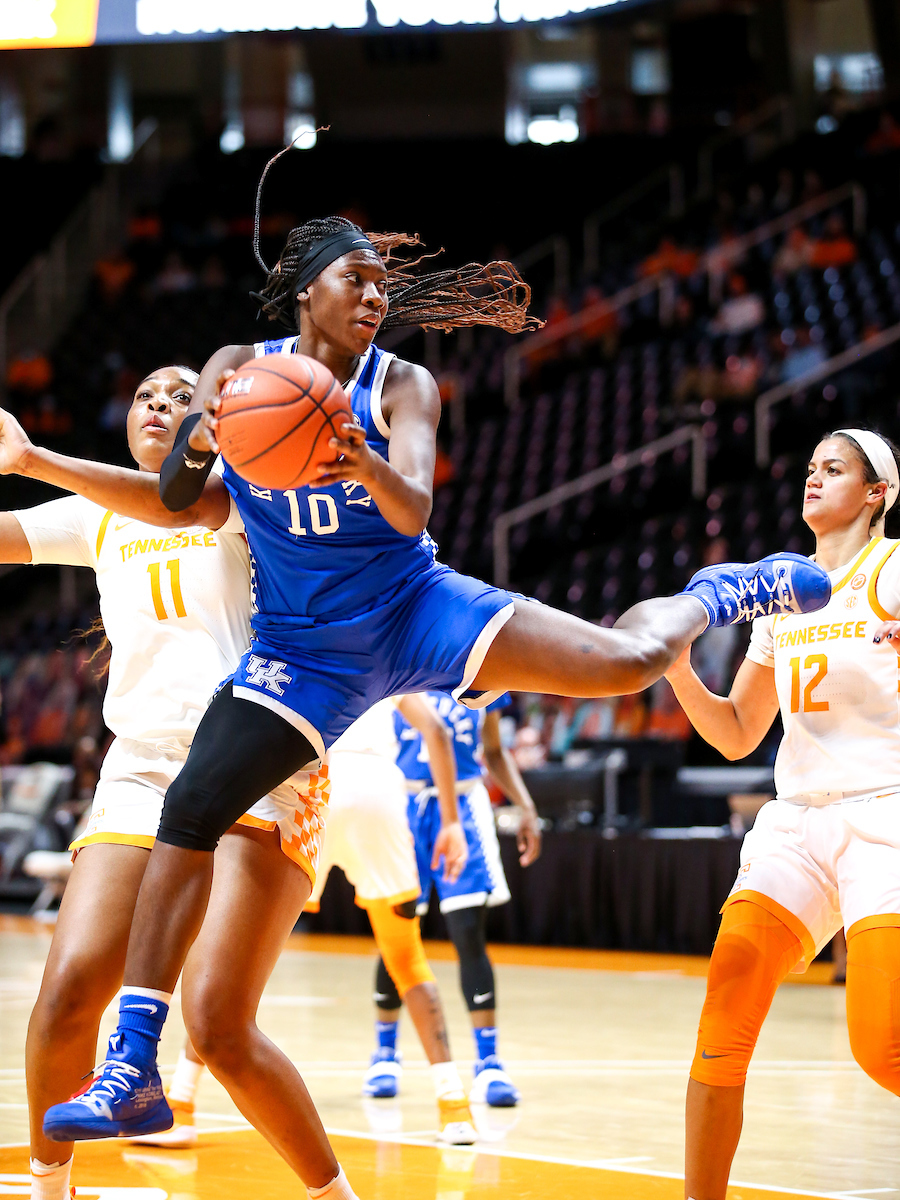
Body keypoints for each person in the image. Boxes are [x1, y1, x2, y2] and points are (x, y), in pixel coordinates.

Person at [28, 181, 831, 1142]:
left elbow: (415, 508)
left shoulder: (403, 383)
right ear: (304, 290)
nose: (372, 297)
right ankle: (134, 1067)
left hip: (414, 609)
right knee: (191, 804)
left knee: (622, 663)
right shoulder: (241, 369)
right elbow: (185, 502)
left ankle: (720, 591)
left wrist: (353, 456)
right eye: (353, 280)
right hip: (304, 650)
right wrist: (201, 437)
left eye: (380, 285)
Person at [0, 369, 354, 1200]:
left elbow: (174, 500)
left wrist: (30, 455)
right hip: (142, 764)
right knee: (66, 992)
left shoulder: (244, 494)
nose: (158, 402)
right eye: (144, 394)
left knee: (218, 1024)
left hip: (257, 758)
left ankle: (335, 1195)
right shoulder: (96, 514)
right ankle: (53, 1191)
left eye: (180, 394)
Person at [664, 428, 900, 1199]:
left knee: (882, 1046)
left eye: (835, 469)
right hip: (797, 821)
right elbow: (736, 735)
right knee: (722, 1022)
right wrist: (677, 668)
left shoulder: (894, 571)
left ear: (877, 494)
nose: (814, 478)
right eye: (809, 469)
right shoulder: (781, 593)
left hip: (884, 816)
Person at [138, 692, 476, 1148]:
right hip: (379, 794)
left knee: (230, 963)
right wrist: (451, 822)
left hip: (319, 784)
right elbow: (435, 730)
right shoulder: (389, 645)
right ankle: (454, 1107)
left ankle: (181, 1105)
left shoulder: (309, 638)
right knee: (407, 959)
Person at [366, 690, 540, 1108]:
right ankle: (385, 1053)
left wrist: (526, 805)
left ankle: (489, 1062)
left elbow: (494, 753)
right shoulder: (401, 666)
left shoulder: (485, 678)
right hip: (402, 803)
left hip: (462, 806)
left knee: (468, 933)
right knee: (399, 926)